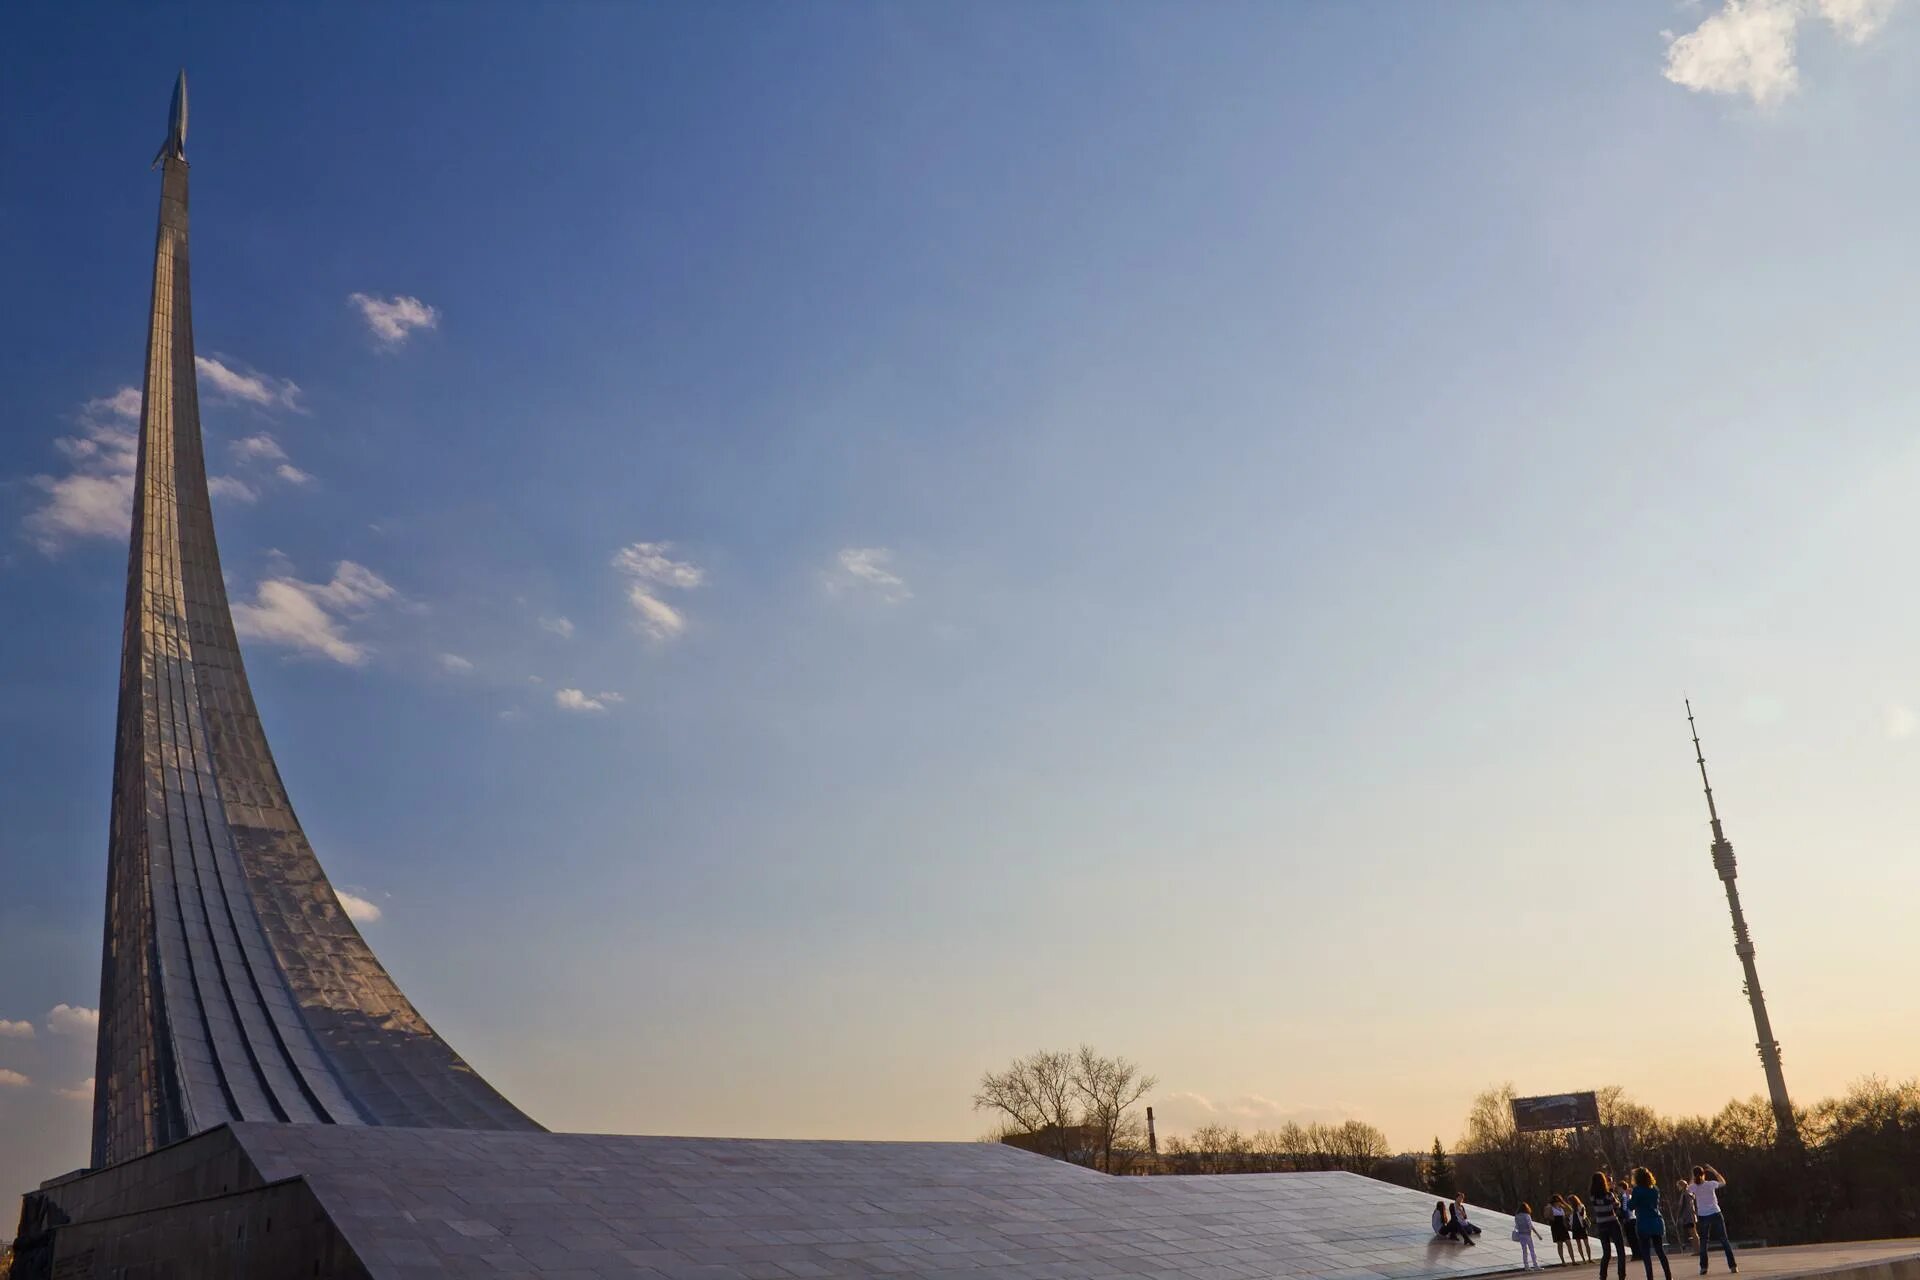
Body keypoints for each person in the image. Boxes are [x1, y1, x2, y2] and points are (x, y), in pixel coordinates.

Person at [1687, 1165, 1737, 1274]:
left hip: (1703, 1215)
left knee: (1704, 1242)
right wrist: (1714, 1170)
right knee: (1724, 1240)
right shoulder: (1710, 1184)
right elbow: (1723, 1182)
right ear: (1703, 1174)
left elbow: (1688, 1189)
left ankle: (1703, 1268)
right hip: (1715, 1212)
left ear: (1694, 1175)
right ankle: (1733, 1266)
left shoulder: (1694, 1187)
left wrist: (1692, 1176)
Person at [1629, 1168, 1672, 1280]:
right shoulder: (1654, 1189)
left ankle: (1650, 1277)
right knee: (1660, 1251)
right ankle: (1668, 1276)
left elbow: (1631, 1206)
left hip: (1643, 1222)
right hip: (1656, 1221)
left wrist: (1629, 1196)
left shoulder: (1637, 1190)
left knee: (1646, 1253)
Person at [1590, 1171, 1632, 1280]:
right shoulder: (1609, 1195)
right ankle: (1621, 1275)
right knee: (1620, 1250)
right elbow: (1616, 1205)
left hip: (1601, 1224)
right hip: (1612, 1222)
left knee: (1606, 1252)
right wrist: (1612, 1191)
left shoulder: (1592, 1197)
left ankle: (1602, 1275)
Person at [1513, 1202, 1546, 1271]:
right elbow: (1530, 1226)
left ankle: (1526, 1266)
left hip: (1521, 1234)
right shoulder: (1526, 1215)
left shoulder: (1517, 1216)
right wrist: (1537, 1234)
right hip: (1527, 1234)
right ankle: (1535, 1265)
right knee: (1532, 1250)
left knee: (1524, 1251)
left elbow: (1517, 1225)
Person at [1675, 1173, 1699, 1247]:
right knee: (1693, 1233)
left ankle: (1698, 1249)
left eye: (1679, 1186)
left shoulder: (1685, 1194)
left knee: (1693, 1233)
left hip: (1689, 1216)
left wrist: (1678, 1215)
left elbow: (1683, 1206)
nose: (1678, 1187)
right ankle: (1697, 1249)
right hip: (1691, 1215)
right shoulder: (1689, 1192)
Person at [1551, 1195, 1576, 1265]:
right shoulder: (1551, 1208)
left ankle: (1573, 1260)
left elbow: (1571, 1210)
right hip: (1556, 1227)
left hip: (1563, 1226)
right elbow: (1548, 1216)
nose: (1557, 1202)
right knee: (1560, 1244)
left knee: (1569, 1243)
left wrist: (1563, 1203)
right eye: (1556, 1201)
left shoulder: (1562, 1208)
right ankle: (1563, 1261)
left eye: (1559, 1200)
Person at [1570, 1194, 1593, 1262]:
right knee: (1579, 1244)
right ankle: (1583, 1259)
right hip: (1574, 1227)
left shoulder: (1581, 1206)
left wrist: (1577, 1210)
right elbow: (1569, 1217)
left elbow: (1583, 1215)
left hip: (1581, 1226)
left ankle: (1589, 1258)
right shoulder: (1570, 1208)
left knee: (1586, 1243)